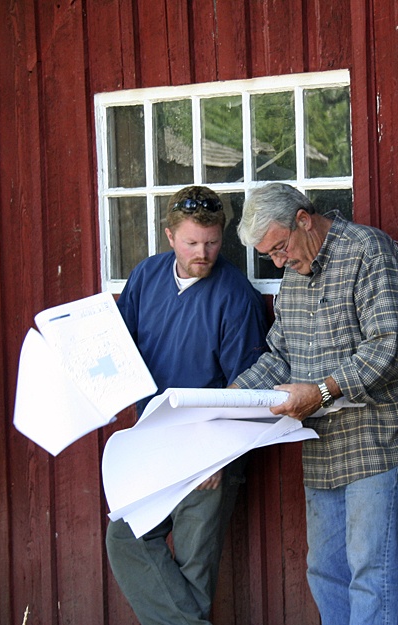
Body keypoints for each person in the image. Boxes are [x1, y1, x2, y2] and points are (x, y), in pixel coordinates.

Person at [230, 182, 398, 625]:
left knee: (370, 572)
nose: (279, 261)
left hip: (382, 435)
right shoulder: (294, 274)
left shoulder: (368, 251)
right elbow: (282, 356)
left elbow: (390, 346)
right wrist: (231, 399)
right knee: (323, 569)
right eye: (270, 255)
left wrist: (322, 390)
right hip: (325, 442)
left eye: (281, 247)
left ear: (304, 220)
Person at [106, 185, 268, 625]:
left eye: (213, 242)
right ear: (169, 236)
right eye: (193, 242)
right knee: (125, 537)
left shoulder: (236, 296)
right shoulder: (145, 276)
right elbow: (120, 350)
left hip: (208, 447)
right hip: (153, 439)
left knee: (195, 568)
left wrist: (215, 456)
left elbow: (246, 387)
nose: (204, 252)